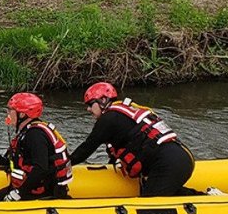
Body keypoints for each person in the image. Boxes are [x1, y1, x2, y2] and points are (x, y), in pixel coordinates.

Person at [70, 82, 199, 197]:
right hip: (180, 157)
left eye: (90, 104)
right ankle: (203, 196)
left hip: (169, 163)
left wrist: (65, 165)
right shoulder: (123, 113)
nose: (88, 109)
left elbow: (87, 147)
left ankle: (208, 202)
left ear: (103, 100)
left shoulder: (108, 119)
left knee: (150, 207)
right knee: (160, 192)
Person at [0, 93, 72, 202]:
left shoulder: (35, 135)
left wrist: (19, 192)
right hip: (35, 187)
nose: (8, 114)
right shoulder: (29, 131)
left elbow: (41, 169)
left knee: (1, 198)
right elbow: (27, 159)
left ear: (22, 115)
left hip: (43, 191)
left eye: (10, 110)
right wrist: (6, 160)